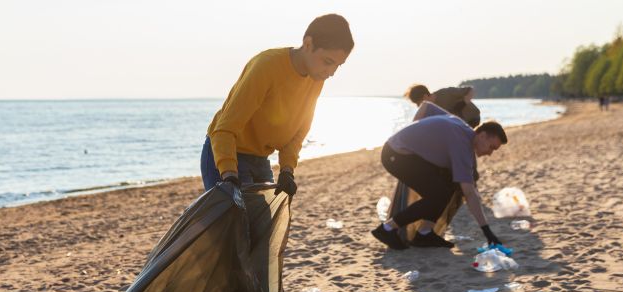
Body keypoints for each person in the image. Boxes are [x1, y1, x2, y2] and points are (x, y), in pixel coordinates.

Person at [201, 14, 354, 195]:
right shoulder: (266, 66)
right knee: (234, 221)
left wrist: (287, 171)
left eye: (338, 65)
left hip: (260, 159)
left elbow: (298, 133)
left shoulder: (316, 78)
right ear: (308, 44)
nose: (332, 72)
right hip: (226, 153)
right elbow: (224, 129)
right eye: (328, 62)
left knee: (267, 222)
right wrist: (230, 176)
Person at [372, 103, 507, 249]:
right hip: (396, 155)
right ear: (482, 135)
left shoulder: (462, 126)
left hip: (403, 152)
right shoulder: (462, 147)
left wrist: (414, 132)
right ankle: (387, 229)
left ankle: (424, 234)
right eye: (491, 147)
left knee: (447, 188)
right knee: (437, 195)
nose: (490, 153)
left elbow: (427, 107)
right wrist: (487, 232)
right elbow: (469, 193)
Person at [404, 84, 480, 127]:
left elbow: (470, 89)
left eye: (418, 103)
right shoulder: (429, 109)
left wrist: (463, 103)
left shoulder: (445, 93)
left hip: (473, 118)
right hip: (459, 123)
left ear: (425, 96)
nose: (418, 107)